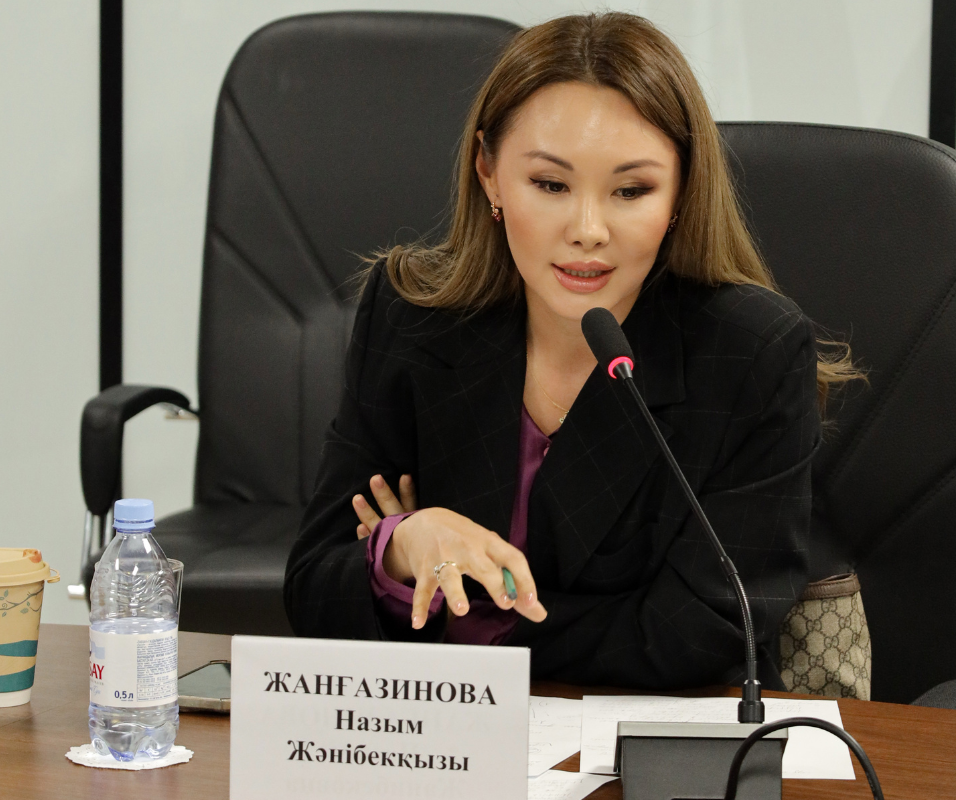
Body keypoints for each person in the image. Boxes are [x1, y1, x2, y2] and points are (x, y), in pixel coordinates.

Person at [284, 11, 854, 691]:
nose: (588, 230)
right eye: (551, 185)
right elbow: (313, 588)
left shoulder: (749, 353)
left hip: (644, 739)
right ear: (490, 174)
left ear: (681, 191)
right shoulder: (412, 314)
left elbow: (700, 631)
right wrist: (405, 547)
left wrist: (451, 610)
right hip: (440, 734)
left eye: (631, 190)